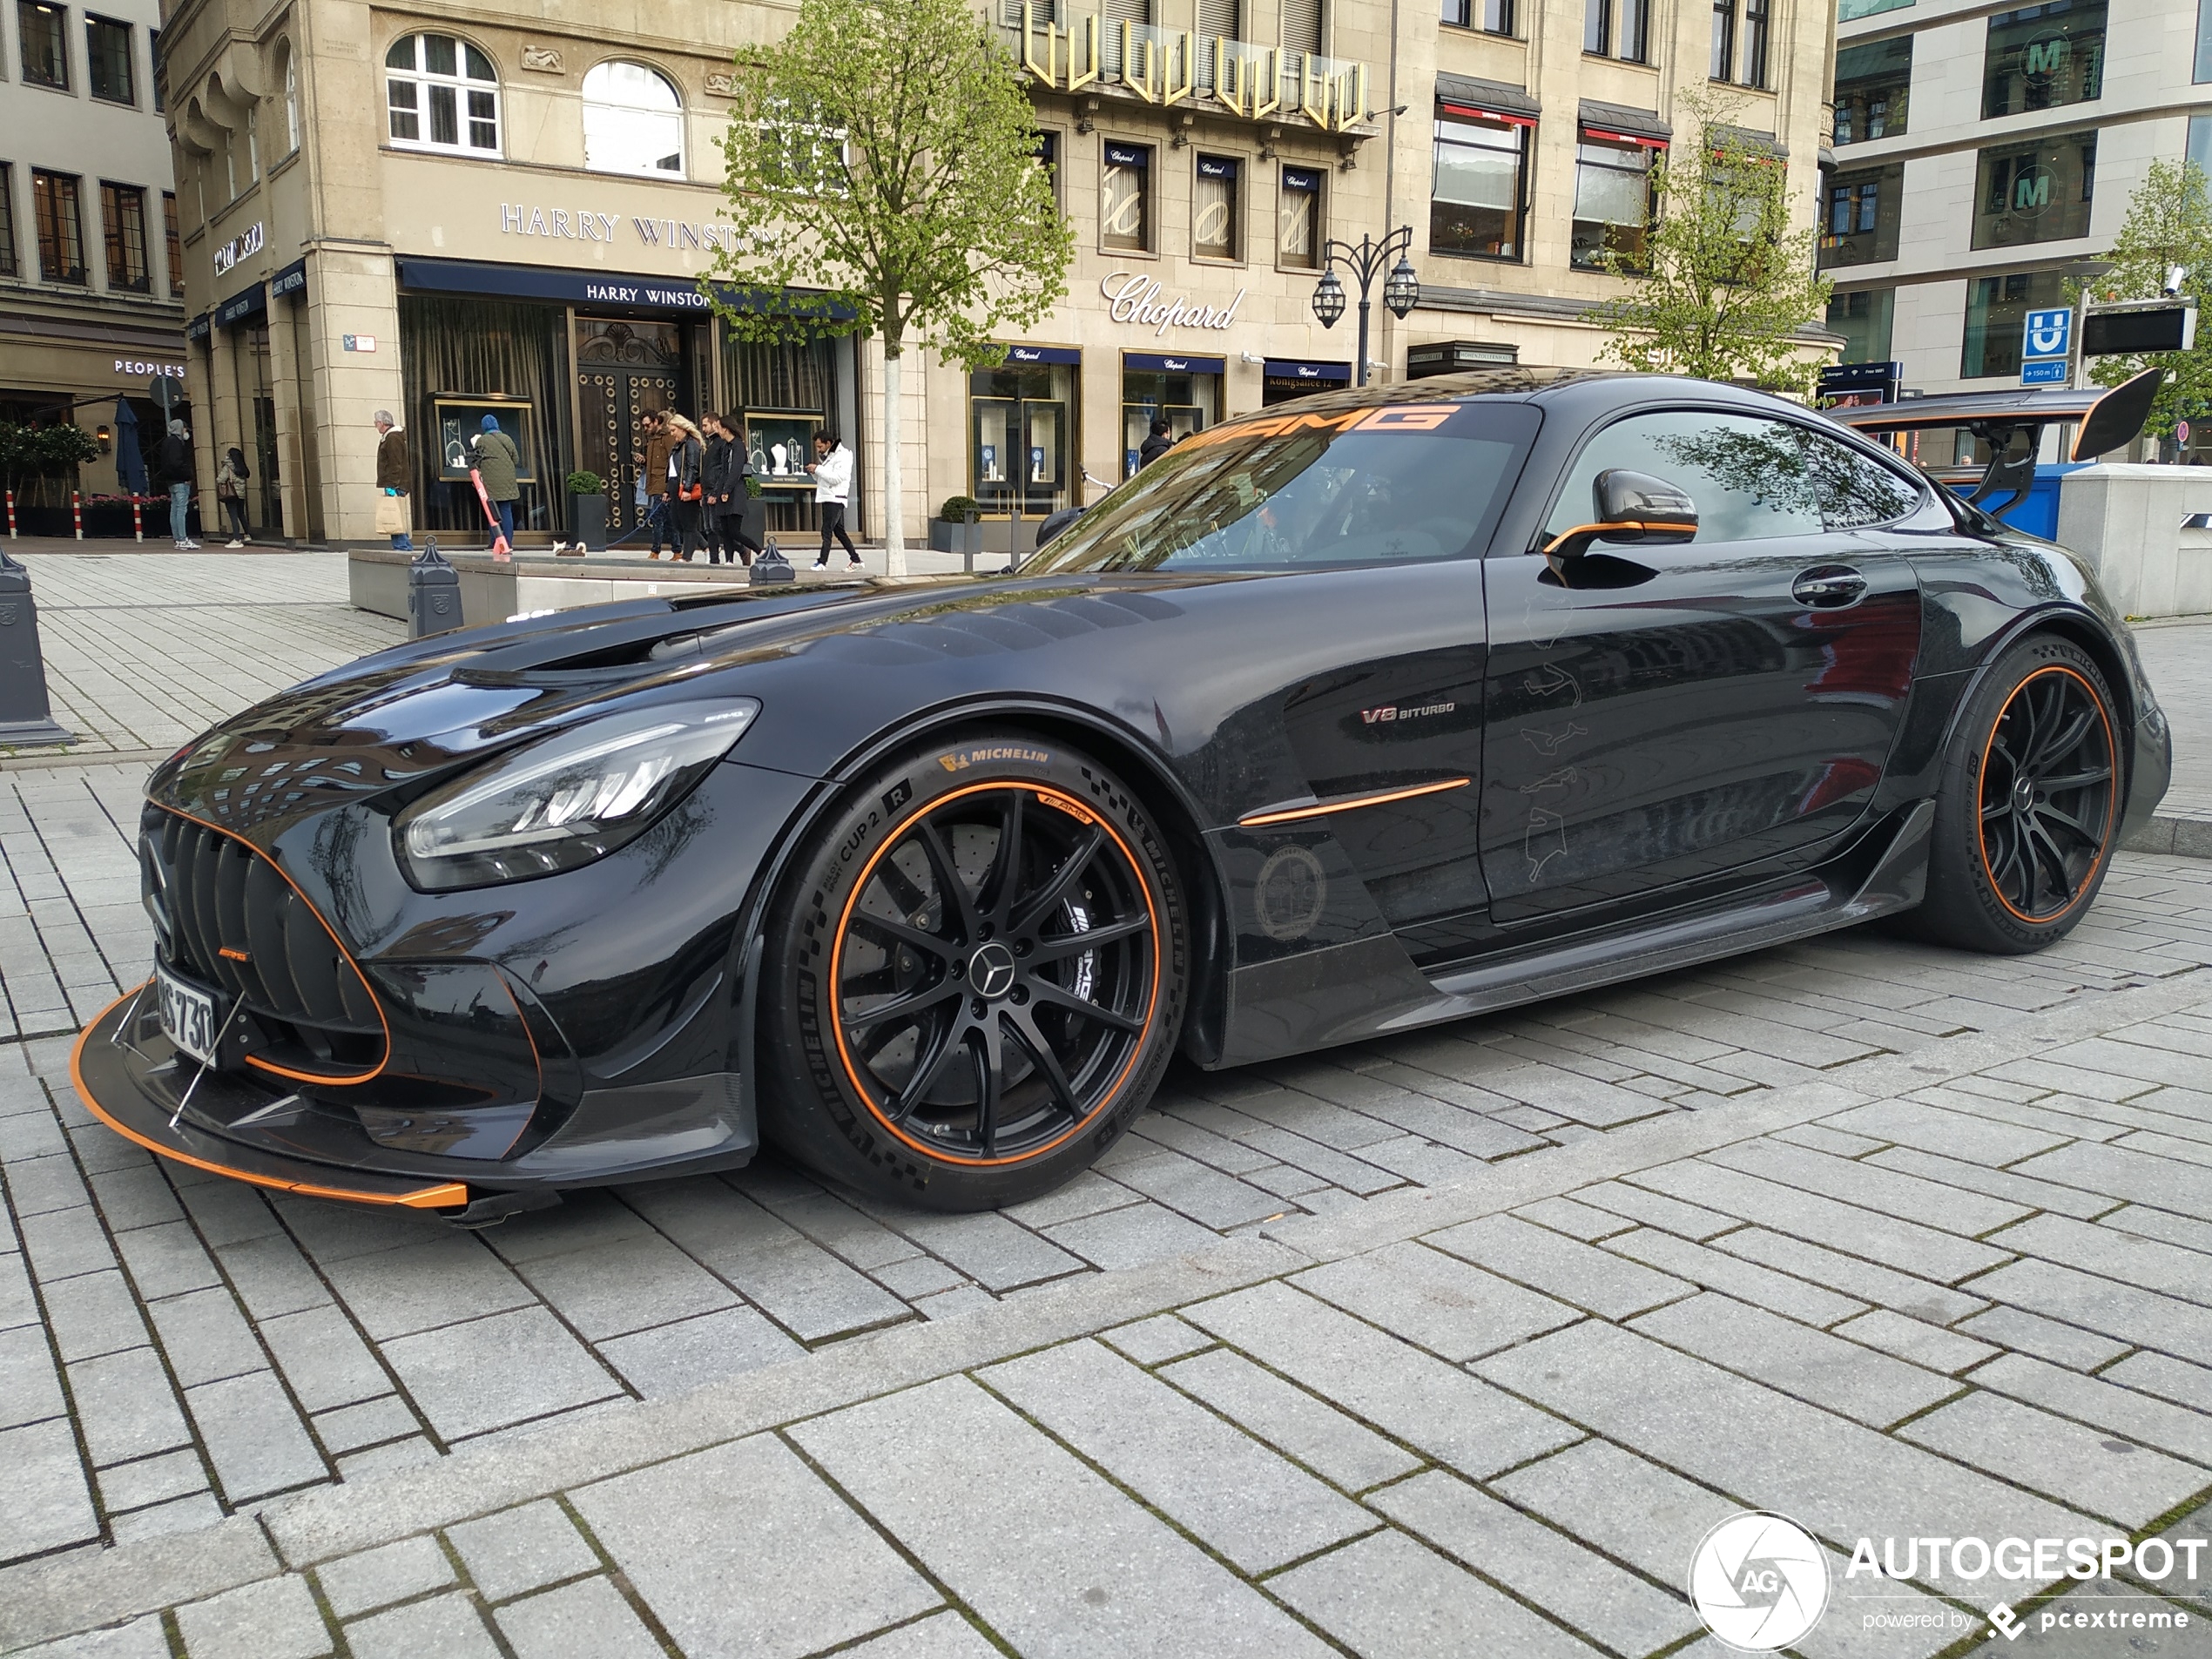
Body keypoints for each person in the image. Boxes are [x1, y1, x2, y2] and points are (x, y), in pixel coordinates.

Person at [807, 430, 859, 570]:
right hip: (828, 496)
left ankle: (822, 562)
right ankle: (856, 560)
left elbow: (836, 477)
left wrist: (818, 469)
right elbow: (822, 478)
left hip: (836, 497)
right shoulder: (828, 456)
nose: (818, 450)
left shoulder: (843, 456)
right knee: (839, 531)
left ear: (828, 443)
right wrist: (815, 472)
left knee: (827, 530)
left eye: (820, 446)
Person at [470, 414, 521, 548]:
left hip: (490, 482)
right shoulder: (507, 439)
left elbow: (476, 462)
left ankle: (495, 542)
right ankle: (508, 543)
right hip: (507, 480)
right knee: (506, 510)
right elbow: (516, 460)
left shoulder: (482, 441)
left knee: (491, 511)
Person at [664, 412, 706, 563]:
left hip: (686, 486)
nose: (672, 434)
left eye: (673, 430)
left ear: (682, 428)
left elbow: (692, 468)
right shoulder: (678, 445)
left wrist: (688, 489)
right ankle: (704, 546)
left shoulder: (691, 444)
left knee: (688, 524)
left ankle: (687, 557)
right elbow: (672, 469)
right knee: (677, 522)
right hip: (676, 485)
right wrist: (668, 490)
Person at [719, 418, 762, 565]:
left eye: (719, 427)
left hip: (735, 491)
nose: (717, 431)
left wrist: (727, 490)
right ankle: (729, 559)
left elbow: (736, 470)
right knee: (724, 528)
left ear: (726, 429)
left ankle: (757, 549)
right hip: (724, 489)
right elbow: (723, 471)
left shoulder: (738, 446)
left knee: (734, 530)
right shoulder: (726, 446)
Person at [152, 418, 199, 549]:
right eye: (184, 428)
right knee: (181, 509)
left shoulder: (166, 442)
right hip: (180, 480)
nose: (186, 431)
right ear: (180, 429)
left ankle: (177, 538)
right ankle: (183, 538)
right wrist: (188, 476)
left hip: (171, 481)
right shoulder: (177, 443)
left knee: (174, 508)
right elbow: (177, 463)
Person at [373, 410, 414, 552]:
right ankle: (403, 544)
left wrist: (392, 484)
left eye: (376, 423)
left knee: (394, 514)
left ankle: (402, 546)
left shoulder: (392, 438)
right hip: (395, 482)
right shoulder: (391, 437)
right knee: (395, 513)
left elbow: (396, 463)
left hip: (395, 483)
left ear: (382, 423)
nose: (375, 426)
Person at [638, 410, 672, 558]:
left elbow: (672, 461)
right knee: (666, 519)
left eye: (647, 425)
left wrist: (669, 487)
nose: (645, 428)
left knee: (658, 517)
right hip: (653, 483)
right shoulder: (652, 439)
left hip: (662, 483)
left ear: (656, 422)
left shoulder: (666, 437)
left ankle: (655, 550)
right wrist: (644, 461)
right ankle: (677, 550)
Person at [214, 446, 251, 547]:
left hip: (231, 494)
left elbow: (220, 479)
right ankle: (247, 535)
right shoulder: (243, 467)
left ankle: (236, 539)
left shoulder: (228, 466)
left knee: (233, 516)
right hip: (241, 494)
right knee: (241, 514)